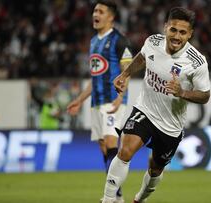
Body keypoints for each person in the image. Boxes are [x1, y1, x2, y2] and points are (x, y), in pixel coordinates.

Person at [101, 7, 211, 203]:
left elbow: (205, 95)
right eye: (173, 30)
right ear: (166, 27)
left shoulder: (197, 62)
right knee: (125, 150)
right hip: (145, 109)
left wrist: (182, 92)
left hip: (170, 126)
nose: (177, 36)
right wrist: (125, 74)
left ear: (190, 34)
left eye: (183, 32)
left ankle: (140, 199)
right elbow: (142, 58)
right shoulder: (153, 42)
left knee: (155, 169)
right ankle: (108, 199)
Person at [66, 1, 133, 202]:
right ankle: (118, 196)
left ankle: (110, 197)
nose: (95, 14)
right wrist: (78, 100)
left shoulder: (120, 40)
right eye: (95, 10)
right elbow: (94, 78)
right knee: (104, 148)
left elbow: (127, 72)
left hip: (113, 101)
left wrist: (120, 97)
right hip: (96, 102)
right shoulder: (94, 41)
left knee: (112, 143)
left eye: (100, 11)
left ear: (110, 17)